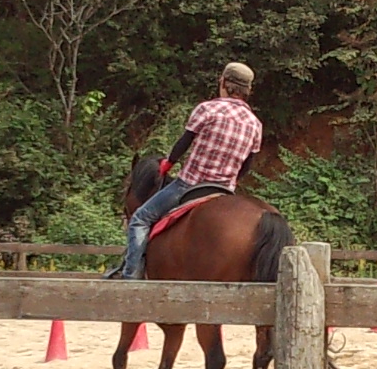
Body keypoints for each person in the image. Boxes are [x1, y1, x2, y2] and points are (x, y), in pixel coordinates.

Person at [107, 62, 263, 280]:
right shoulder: (255, 124)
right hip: (224, 189)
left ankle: (130, 278)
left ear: (223, 82)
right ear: (248, 90)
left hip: (189, 185)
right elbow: (247, 165)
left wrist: (168, 164)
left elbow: (184, 143)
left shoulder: (207, 109)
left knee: (140, 219)